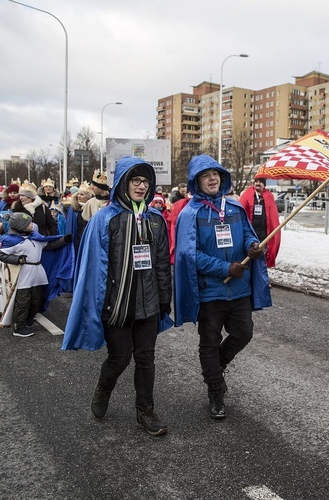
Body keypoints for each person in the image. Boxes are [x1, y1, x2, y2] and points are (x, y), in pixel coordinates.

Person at [62, 157, 172, 437]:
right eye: (135, 180)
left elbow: (161, 262)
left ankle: (145, 411)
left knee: (146, 358)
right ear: (123, 182)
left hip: (147, 303)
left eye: (146, 181)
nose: (141, 185)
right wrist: (98, 304)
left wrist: (164, 298)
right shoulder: (104, 219)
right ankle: (103, 388)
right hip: (116, 304)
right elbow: (92, 267)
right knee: (120, 358)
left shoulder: (156, 220)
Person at [174, 155, 271, 420]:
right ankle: (215, 393)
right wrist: (224, 269)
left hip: (239, 290)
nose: (213, 179)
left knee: (244, 333)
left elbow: (249, 234)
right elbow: (188, 255)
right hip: (210, 292)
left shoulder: (235, 207)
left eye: (216, 174)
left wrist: (254, 246)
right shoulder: (190, 213)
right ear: (196, 181)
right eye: (206, 175)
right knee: (209, 342)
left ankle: (218, 365)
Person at [0, 212, 72, 337]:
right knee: (23, 301)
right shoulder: (11, 240)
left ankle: (29, 320)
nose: (32, 225)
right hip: (24, 274)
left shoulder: (36, 237)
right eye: (28, 223)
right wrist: (18, 259)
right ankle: (19, 326)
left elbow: (49, 245)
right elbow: (1, 254)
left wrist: (64, 240)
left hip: (37, 272)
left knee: (37, 299)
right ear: (20, 226)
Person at [239, 175, 281, 268]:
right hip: (251, 235)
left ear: (264, 185)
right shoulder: (247, 194)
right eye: (256, 181)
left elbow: (273, 217)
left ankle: (260, 279)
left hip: (264, 236)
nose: (258, 183)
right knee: (249, 259)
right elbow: (241, 212)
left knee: (261, 261)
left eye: (260, 181)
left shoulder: (269, 196)